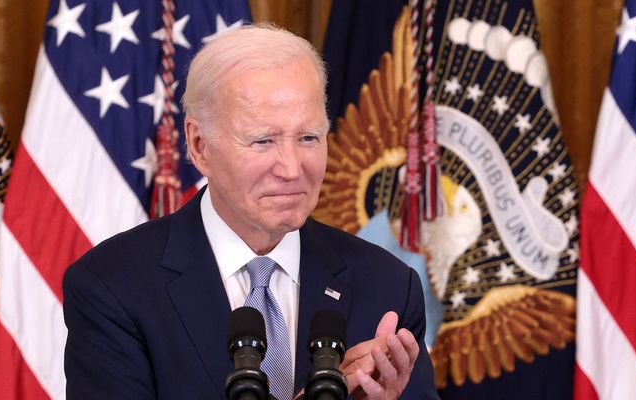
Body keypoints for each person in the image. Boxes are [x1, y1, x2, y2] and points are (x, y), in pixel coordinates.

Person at [63, 23, 437, 399]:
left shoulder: (388, 286)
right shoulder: (112, 287)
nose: (292, 168)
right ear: (199, 145)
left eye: (308, 138)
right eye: (262, 141)